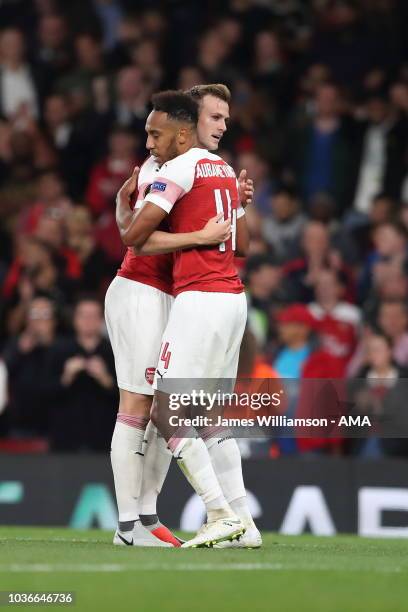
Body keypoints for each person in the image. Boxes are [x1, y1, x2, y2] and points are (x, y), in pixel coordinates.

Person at [115, 90, 251, 548]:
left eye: (225, 118)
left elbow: (135, 236)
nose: (222, 126)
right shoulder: (219, 169)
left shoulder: (184, 167)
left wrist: (123, 210)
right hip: (220, 297)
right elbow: (241, 244)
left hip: (196, 298)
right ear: (191, 123)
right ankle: (236, 523)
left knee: (161, 410)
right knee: (199, 413)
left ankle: (215, 514)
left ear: (179, 131)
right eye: (215, 116)